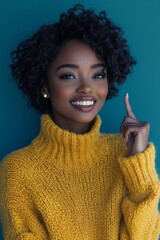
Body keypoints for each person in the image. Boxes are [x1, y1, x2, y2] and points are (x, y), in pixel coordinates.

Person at [0, 4, 159, 240]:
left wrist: (138, 166)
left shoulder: (125, 154)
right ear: (44, 86)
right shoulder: (18, 170)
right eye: (68, 76)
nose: (87, 87)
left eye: (98, 75)